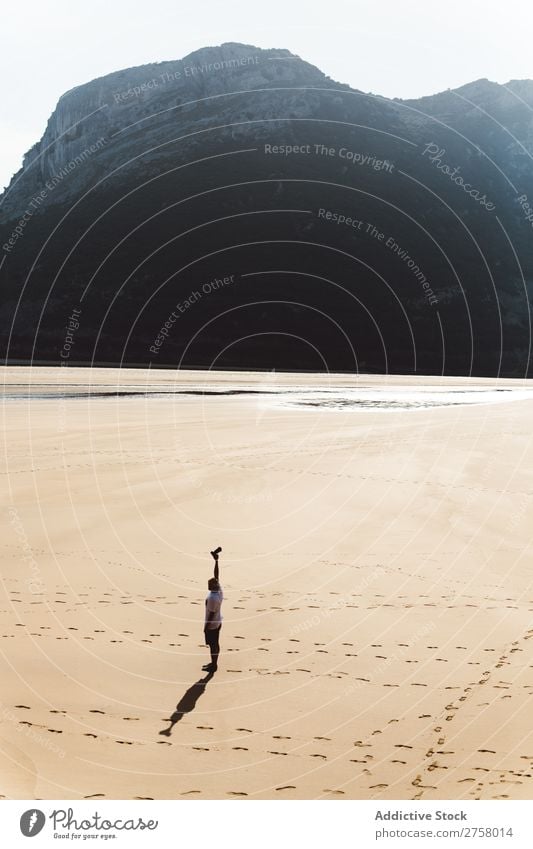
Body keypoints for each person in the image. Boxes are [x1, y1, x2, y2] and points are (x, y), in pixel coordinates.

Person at [203, 548, 223, 672]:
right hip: (218, 622)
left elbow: (210, 614)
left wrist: (205, 628)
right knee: (215, 643)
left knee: (213, 644)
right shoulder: (219, 591)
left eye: (209, 584)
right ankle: (213, 663)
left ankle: (214, 665)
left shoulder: (212, 598)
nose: (208, 585)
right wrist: (216, 561)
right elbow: (217, 576)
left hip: (212, 625)